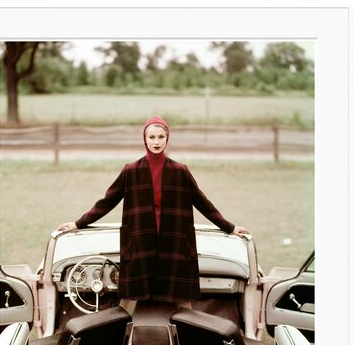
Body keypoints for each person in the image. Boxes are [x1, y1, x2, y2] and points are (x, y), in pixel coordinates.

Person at [57, 116, 249, 316]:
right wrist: (79, 223)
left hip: (174, 244)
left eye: (161, 137)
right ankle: (123, 332)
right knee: (129, 298)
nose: (156, 142)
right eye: (152, 137)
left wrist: (229, 227)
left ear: (167, 139)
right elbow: (107, 202)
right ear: (145, 139)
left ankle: (187, 331)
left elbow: (203, 203)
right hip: (140, 243)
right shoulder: (131, 171)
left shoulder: (180, 171)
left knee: (182, 299)